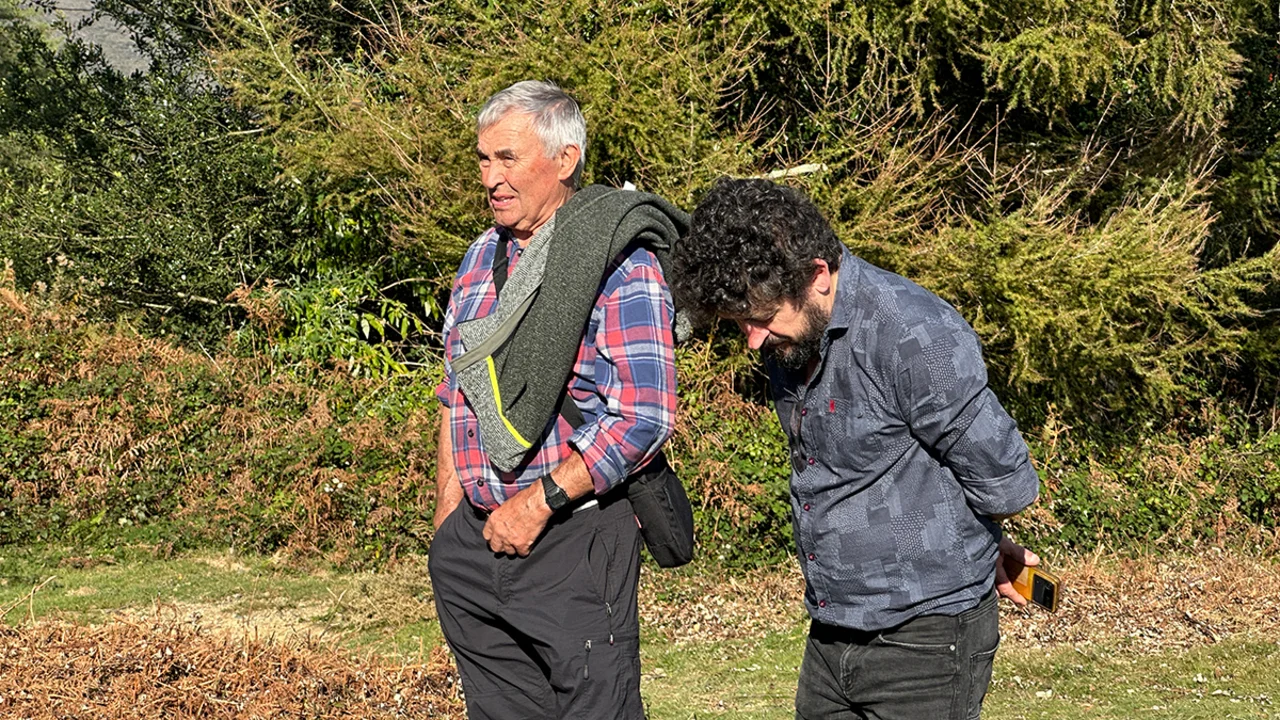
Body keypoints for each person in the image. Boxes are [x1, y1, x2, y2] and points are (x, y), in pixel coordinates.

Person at [669, 178, 1042, 720]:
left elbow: (1005, 481)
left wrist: (969, 544)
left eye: (763, 318)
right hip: (830, 634)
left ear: (818, 275)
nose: (753, 339)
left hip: (926, 645)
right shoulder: (795, 336)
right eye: (742, 322)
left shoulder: (914, 334)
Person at [427, 80, 684, 719]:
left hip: (572, 540)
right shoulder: (479, 258)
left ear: (565, 159)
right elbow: (457, 392)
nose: (491, 178)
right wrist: (448, 520)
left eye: (508, 158)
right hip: (474, 544)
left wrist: (536, 505)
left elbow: (643, 416)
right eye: (483, 159)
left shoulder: (619, 263)